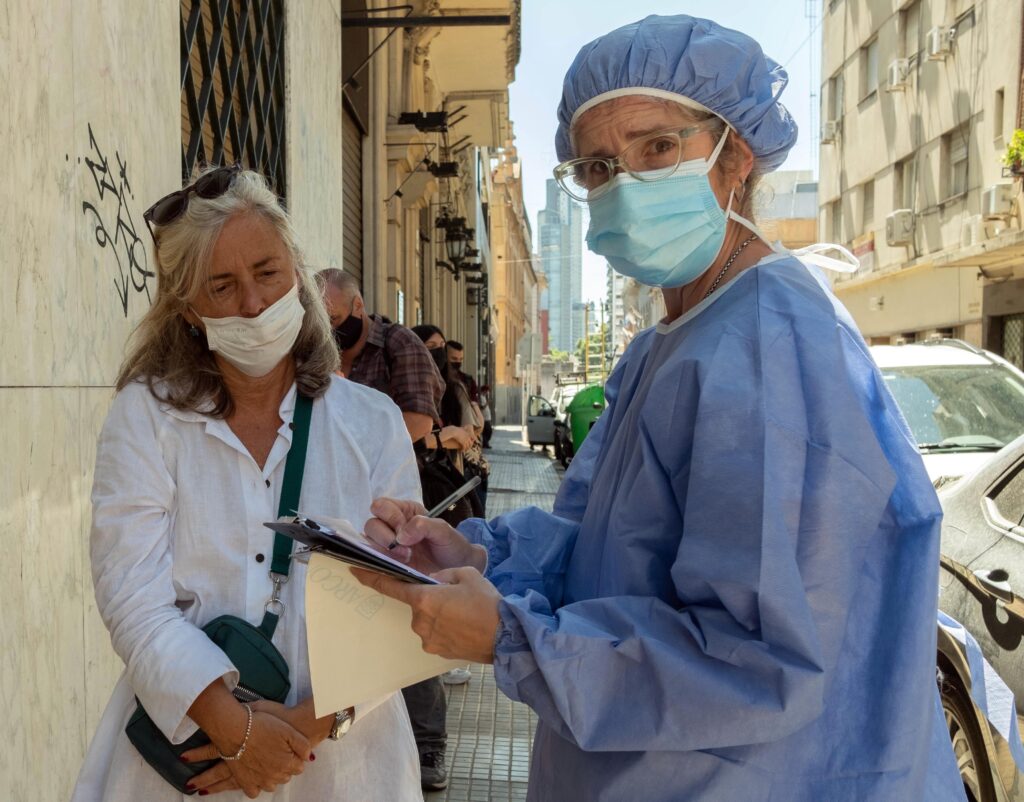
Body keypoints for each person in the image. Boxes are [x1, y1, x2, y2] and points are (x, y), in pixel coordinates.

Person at [352, 15, 966, 802]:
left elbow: (759, 660)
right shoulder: (669, 343)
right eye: (598, 166)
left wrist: (511, 638)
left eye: (658, 148)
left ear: (735, 156)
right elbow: (604, 549)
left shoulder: (771, 345)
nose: (625, 185)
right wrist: (472, 559)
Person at [72, 167, 422, 801]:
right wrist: (234, 732)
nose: (254, 304)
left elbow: (405, 605)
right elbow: (131, 598)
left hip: (348, 766)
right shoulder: (146, 417)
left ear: (297, 274)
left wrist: (301, 730)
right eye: (222, 285)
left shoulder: (372, 423)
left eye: (267, 273)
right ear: (188, 308)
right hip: (188, 756)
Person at [317, 270, 461, 791]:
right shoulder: (324, 350)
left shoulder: (400, 345)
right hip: (340, 504)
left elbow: (418, 419)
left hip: (397, 500)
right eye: (321, 321)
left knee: (404, 615)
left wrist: (357, 425)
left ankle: (430, 742)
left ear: (358, 306)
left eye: (336, 318)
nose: (330, 329)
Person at [412, 325, 489, 513]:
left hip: (448, 479)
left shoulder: (455, 389)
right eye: (431, 346)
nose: (438, 352)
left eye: (442, 345)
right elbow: (411, 441)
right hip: (412, 478)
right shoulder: (408, 388)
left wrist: (433, 439)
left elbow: (467, 438)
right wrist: (451, 432)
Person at [478, 384, 493, 448]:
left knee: (486, 432)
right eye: (487, 391)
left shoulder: (484, 397)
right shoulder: (480, 397)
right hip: (484, 418)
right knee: (488, 431)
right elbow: (481, 407)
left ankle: (485, 444)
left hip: (487, 417)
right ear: (484, 390)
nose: (487, 393)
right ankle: (485, 443)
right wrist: (487, 403)